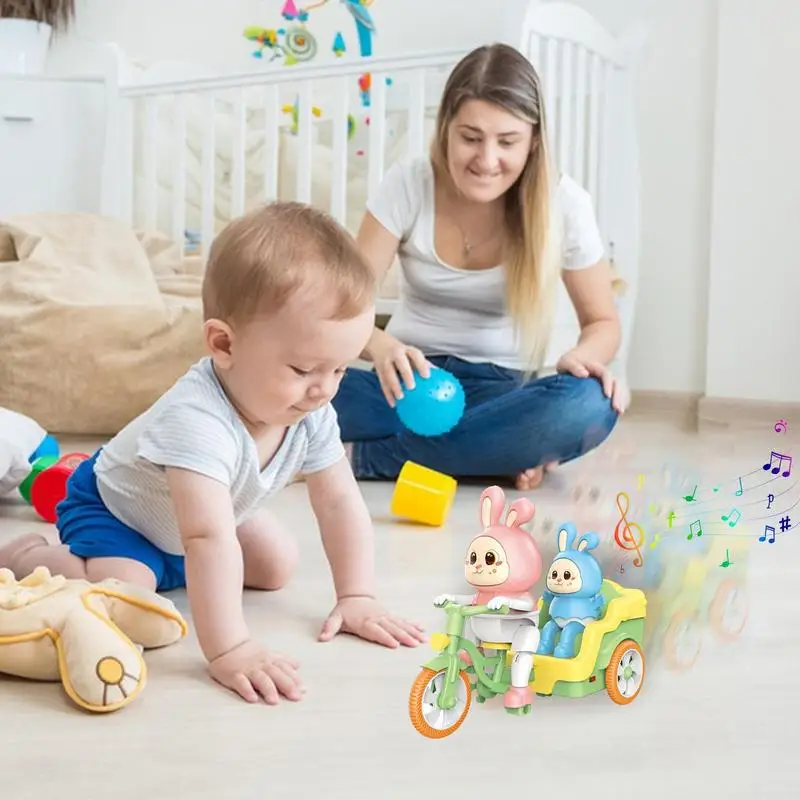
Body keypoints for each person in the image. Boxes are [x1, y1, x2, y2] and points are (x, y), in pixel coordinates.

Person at [0, 202, 425, 705]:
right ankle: (34, 554)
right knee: (129, 591)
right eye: (305, 369)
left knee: (276, 565)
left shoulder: (308, 410)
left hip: (205, 513)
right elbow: (205, 537)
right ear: (223, 344)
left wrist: (356, 596)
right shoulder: (196, 420)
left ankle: (170, 568)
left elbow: (337, 502)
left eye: (338, 370)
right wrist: (230, 648)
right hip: (119, 513)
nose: (324, 391)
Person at [332, 43, 628, 491]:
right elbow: (341, 307)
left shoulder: (565, 204)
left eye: (507, 142)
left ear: (533, 142)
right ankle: (489, 455)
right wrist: (379, 345)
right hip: (406, 386)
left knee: (589, 405)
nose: (486, 161)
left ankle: (367, 458)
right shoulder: (408, 185)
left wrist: (584, 358)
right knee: (298, 389)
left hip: (503, 394)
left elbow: (603, 322)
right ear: (446, 128)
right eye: (470, 137)